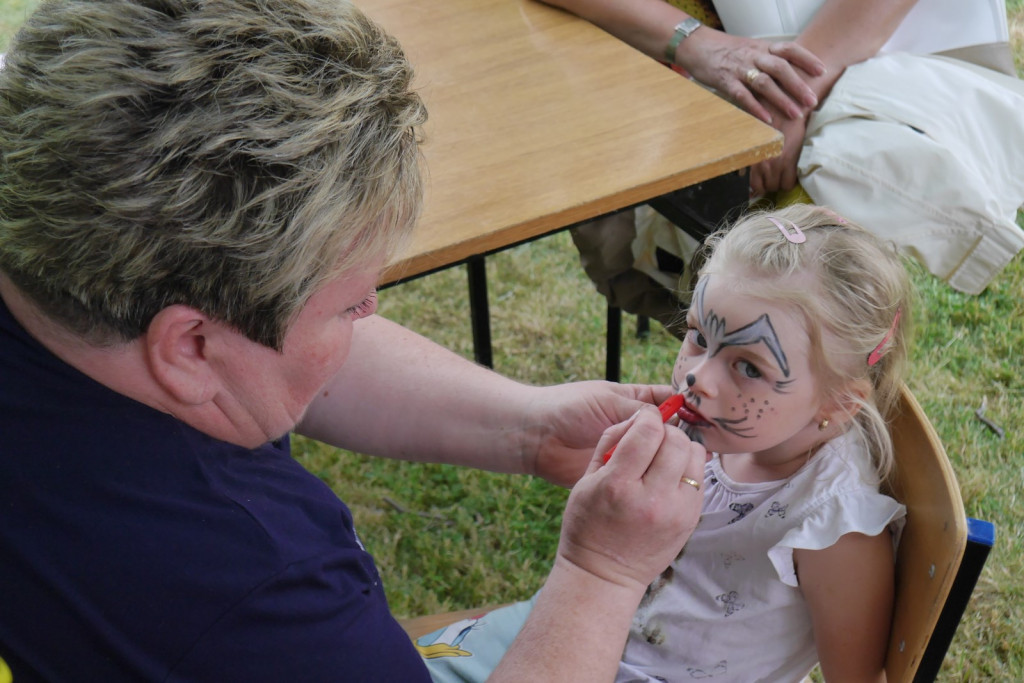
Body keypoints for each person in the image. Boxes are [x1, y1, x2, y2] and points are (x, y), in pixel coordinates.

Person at [0, 0, 708, 680]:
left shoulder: (55, 274)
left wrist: (529, 427)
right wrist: (601, 573)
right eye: (346, 305)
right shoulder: (250, 600)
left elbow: (263, 357)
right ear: (188, 348)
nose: (370, 311)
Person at [419, 204, 911, 682]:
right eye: (699, 335)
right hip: (572, 634)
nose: (698, 376)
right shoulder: (728, 429)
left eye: (747, 367)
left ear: (839, 404)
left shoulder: (833, 526)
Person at [545, 0, 1024, 329]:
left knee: (804, 311)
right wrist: (695, 44)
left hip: (883, 67)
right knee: (656, 257)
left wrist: (792, 89)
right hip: (671, 62)